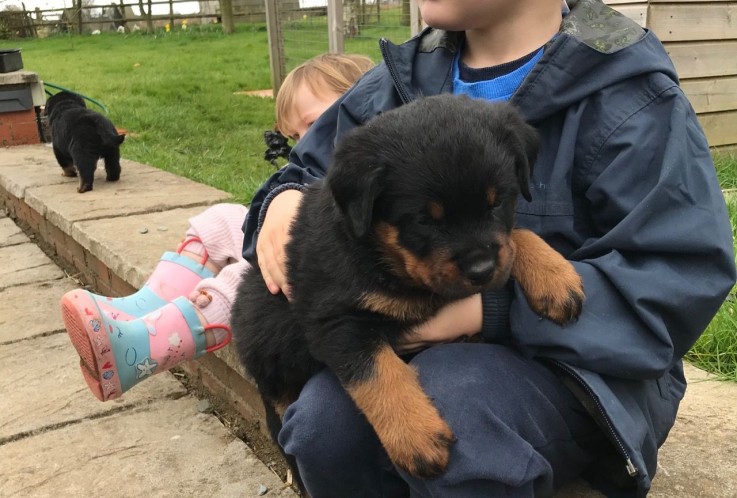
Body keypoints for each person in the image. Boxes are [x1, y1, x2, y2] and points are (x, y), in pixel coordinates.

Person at [242, 0, 736, 496]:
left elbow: (678, 279)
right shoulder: (394, 80)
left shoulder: (632, 98)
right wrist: (282, 201)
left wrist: (493, 309)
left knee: (461, 402)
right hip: (402, 346)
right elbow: (309, 169)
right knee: (320, 427)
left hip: (583, 377)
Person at [60, 53, 374, 402]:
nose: (302, 144)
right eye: (295, 134)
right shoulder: (314, 164)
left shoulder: (366, 174)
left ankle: (141, 349)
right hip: (298, 251)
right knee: (221, 217)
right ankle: (138, 309)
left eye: (313, 125)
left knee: (247, 277)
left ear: (359, 110)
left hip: (334, 278)